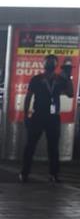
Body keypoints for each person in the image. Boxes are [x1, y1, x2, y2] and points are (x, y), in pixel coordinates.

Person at [20, 55, 74, 184]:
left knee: (53, 147)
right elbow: (28, 97)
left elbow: (70, 94)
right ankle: (24, 173)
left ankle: (54, 174)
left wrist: (68, 78)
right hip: (38, 115)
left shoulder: (60, 79)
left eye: (52, 62)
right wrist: (26, 114)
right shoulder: (37, 79)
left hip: (53, 117)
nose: (49, 64)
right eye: (48, 62)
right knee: (30, 146)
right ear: (44, 64)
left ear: (55, 65)